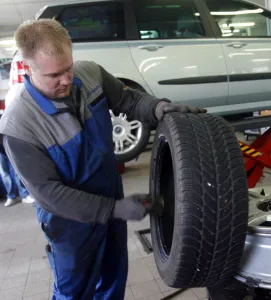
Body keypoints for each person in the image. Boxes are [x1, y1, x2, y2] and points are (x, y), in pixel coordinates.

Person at [0, 19, 206, 299]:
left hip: (111, 201)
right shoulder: (18, 126)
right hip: (70, 223)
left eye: (68, 68)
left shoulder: (90, 74)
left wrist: (157, 107)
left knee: (113, 277)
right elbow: (49, 195)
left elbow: (128, 100)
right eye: (54, 75)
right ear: (28, 67)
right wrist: (116, 209)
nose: (66, 79)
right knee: (74, 290)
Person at [0, 141, 35, 207]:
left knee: (17, 169)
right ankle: (11, 197)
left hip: (8, 140)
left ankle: (24, 195)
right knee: (4, 173)